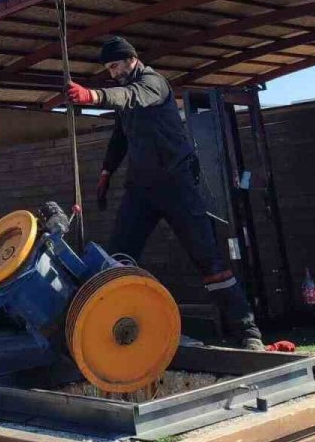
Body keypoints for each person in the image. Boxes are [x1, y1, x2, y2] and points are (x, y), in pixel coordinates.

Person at [67, 35, 264, 351]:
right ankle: (111, 332)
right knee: (117, 259)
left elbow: (131, 96)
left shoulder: (153, 83)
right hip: (141, 189)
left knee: (208, 259)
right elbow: (121, 134)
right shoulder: (127, 91)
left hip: (177, 184)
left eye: (115, 65)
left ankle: (247, 332)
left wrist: (92, 95)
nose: (112, 72)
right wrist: (106, 171)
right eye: (108, 69)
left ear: (132, 58)